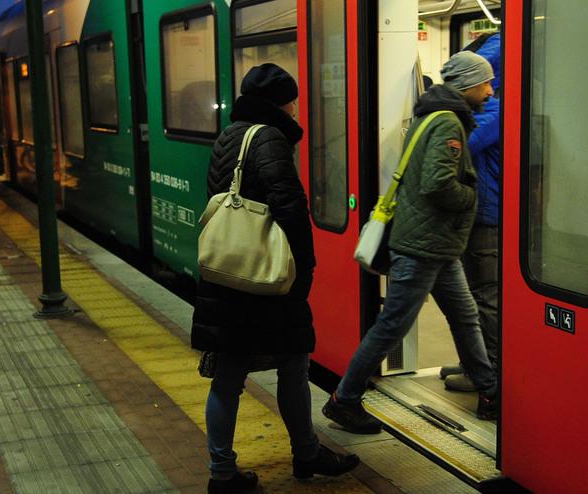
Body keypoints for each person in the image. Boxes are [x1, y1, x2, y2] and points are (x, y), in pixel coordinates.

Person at [192, 63, 359, 493]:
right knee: (293, 364)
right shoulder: (270, 137)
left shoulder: (229, 135)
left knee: (229, 375)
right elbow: (289, 206)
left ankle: (222, 472)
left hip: (228, 273)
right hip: (263, 279)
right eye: (293, 100)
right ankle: (305, 454)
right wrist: (304, 270)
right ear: (283, 102)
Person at [322, 51, 499, 435]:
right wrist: (471, 197)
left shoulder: (430, 114)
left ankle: (489, 391)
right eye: (485, 82)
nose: (490, 90)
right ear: (468, 85)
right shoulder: (448, 122)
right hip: (422, 246)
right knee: (391, 326)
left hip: (436, 244)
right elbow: (436, 183)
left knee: (466, 317)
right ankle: (344, 399)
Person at [444, 34, 502, 392]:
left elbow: (463, 146)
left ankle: (489, 370)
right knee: (472, 295)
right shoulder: (478, 110)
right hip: (475, 213)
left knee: (485, 297)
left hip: (487, 214)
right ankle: (472, 361)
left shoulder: (492, 112)